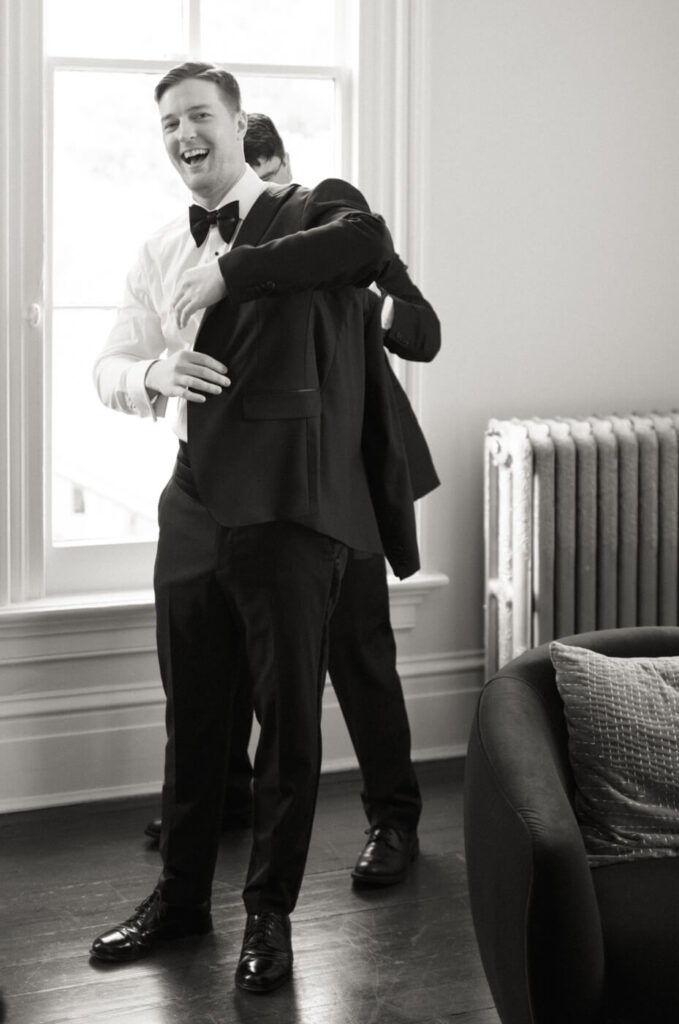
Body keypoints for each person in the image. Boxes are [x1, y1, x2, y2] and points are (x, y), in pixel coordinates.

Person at [88, 61, 414, 994]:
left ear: (237, 124)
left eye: (200, 117)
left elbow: (367, 243)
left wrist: (232, 272)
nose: (185, 136)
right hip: (191, 499)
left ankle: (268, 917)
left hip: (289, 503)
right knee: (193, 715)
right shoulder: (157, 247)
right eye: (169, 125)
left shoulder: (306, 210)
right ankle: (182, 899)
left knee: (288, 724)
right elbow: (108, 362)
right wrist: (152, 378)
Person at [143, 112, 441, 888]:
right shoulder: (203, 251)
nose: (265, 204)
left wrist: (359, 307)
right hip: (257, 482)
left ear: (274, 162)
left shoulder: (323, 219)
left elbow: (424, 332)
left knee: (359, 653)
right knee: (244, 649)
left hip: (344, 477)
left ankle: (393, 819)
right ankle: (229, 796)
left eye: (271, 178)